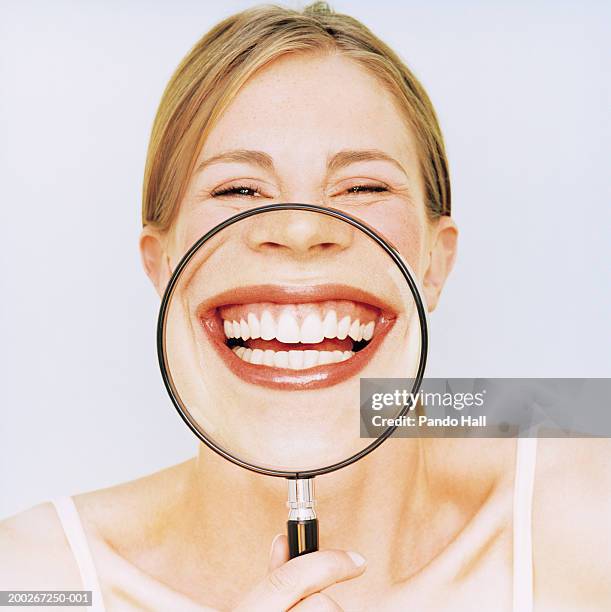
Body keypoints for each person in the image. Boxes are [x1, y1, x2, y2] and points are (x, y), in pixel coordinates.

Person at [1, 3, 609, 610]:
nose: (297, 229)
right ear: (161, 265)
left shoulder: (585, 512)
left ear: (434, 261)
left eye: (363, 187)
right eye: (238, 189)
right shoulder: (32, 581)